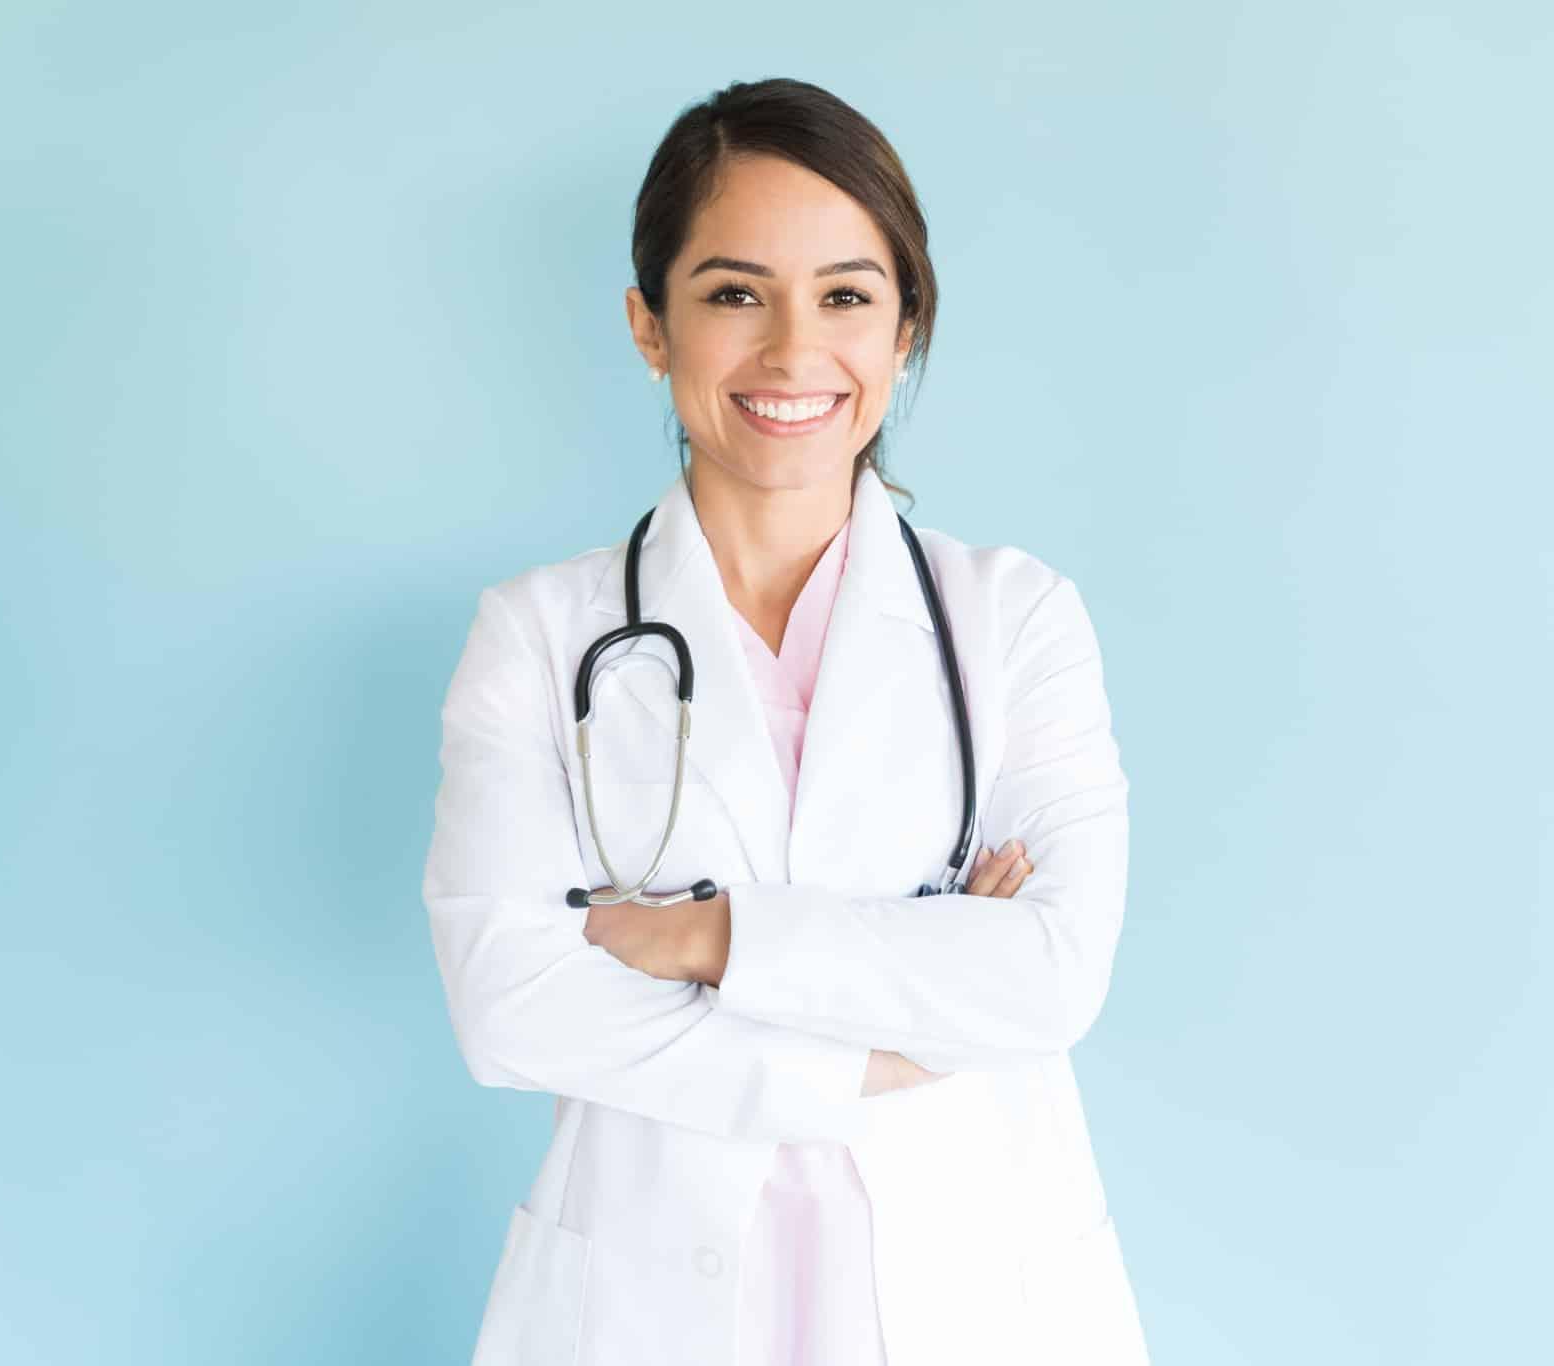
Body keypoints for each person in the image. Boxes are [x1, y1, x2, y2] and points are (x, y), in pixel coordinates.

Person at [422, 77, 1149, 1366]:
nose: (793, 353)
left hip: (976, 1290)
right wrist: (877, 1041)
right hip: (648, 1299)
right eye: (735, 293)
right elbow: (510, 1005)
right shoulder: (538, 636)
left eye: (848, 297)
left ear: (906, 329)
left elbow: (1047, 977)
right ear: (651, 325)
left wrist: (704, 936)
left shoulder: (1016, 619)